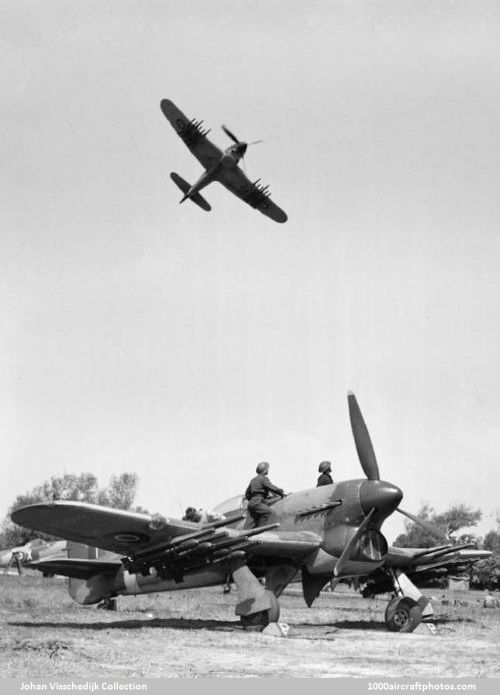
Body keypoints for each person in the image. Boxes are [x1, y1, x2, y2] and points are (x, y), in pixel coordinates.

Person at [244, 462, 285, 527]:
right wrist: (281, 492)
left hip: (251, 504)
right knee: (270, 513)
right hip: (258, 502)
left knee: (249, 525)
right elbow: (272, 487)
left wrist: (252, 499)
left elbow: (247, 494)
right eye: (267, 469)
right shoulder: (264, 478)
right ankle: (261, 531)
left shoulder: (253, 480)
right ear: (265, 470)